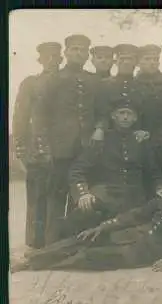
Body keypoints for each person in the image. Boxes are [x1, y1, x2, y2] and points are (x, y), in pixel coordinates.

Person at [11, 168, 162, 272]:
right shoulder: (161, 202)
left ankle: (33, 266)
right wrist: (103, 227)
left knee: (87, 257)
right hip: (125, 236)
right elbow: (133, 216)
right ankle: (30, 259)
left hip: (138, 253)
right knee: (84, 238)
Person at [49, 99, 162, 243]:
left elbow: (153, 172)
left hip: (134, 201)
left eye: (129, 114)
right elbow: (77, 170)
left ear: (135, 118)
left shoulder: (141, 141)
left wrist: (161, 187)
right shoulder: (102, 140)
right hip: (107, 198)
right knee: (79, 228)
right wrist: (83, 194)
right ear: (113, 116)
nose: (125, 117)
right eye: (121, 113)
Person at [36, 34, 99, 243]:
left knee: (80, 195)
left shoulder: (93, 80)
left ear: (88, 55)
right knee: (56, 194)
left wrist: (99, 128)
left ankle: (73, 242)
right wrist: (44, 147)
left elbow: (102, 111)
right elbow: (40, 114)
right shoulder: (54, 79)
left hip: (85, 148)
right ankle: (51, 243)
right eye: (74, 49)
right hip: (59, 147)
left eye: (83, 50)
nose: (78, 53)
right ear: (66, 53)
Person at [12, 42, 63, 248]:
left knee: (57, 198)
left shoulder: (66, 82)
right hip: (37, 148)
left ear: (61, 60)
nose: (52, 61)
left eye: (56, 57)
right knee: (37, 198)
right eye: (47, 57)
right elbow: (20, 117)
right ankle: (35, 244)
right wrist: (21, 148)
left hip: (63, 149)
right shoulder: (31, 83)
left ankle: (55, 242)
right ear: (40, 60)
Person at [93, 44, 144, 143]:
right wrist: (100, 128)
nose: (126, 62)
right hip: (109, 137)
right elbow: (101, 111)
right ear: (116, 62)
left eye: (130, 59)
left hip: (136, 137)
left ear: (136, 62)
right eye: (122, 59)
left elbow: (145, 113)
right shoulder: (105, 85)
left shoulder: (142, 86)